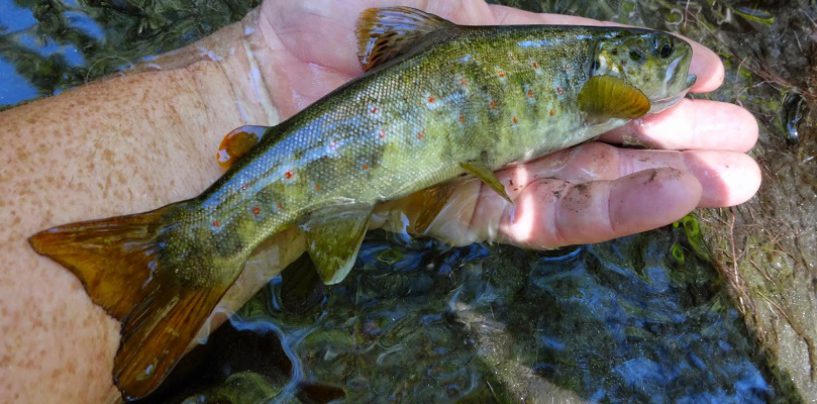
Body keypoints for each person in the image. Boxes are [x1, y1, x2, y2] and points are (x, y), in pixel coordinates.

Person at [0, 0, 760, 402]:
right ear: (617, 68)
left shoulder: (603, 80)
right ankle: (193, 246)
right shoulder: (608, 83)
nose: (673, 62)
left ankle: (193, 245)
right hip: (371, 131)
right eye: (660, 53)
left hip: (376, 136)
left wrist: (244, 77)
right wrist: (247, 78)